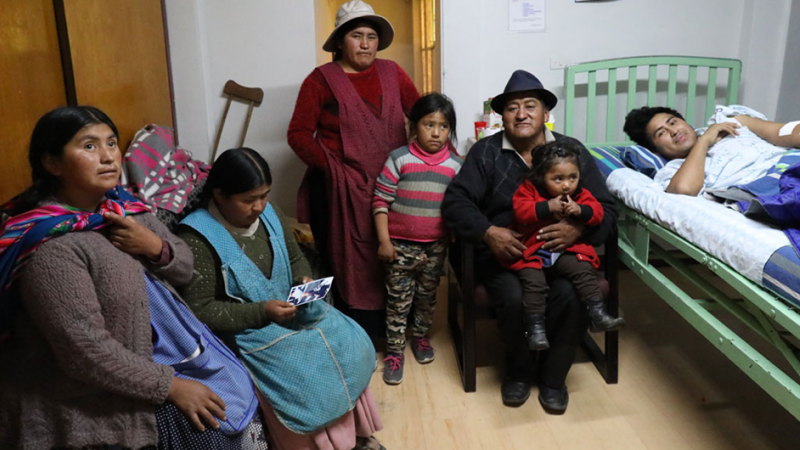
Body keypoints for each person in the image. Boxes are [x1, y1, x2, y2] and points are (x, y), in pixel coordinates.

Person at [0, 106, 266, 450]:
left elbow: (185, 267)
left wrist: (154, 246)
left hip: (160, 356)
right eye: (90, 146)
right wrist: (171, 386)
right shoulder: (53, 249)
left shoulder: (121, 207)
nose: (109, 156)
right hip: (85, 398)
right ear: (52, 163)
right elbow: (85, 353)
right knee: (209, 430)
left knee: (243, 390)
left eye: (111, 143)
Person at [176, 148, 385, 450]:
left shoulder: (270, 214)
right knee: (308, 368)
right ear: (219, 195)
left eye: (264, 195)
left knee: (348, 339)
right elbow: (200, 310)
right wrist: (262, 312)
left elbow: (296, 257)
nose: (260, 206)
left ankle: (354, 435)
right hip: (247, 334)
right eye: (249, 199)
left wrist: (304, 280)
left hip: (285, 309)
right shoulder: (196, 237)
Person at [441, 70, 617, 413]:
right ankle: (519, 371)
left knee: (572, 294)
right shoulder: (485, 153)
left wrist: (578, 230)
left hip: (564, 255)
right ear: (501, 115)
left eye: (530, 106)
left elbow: (607, 210)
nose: (521, 114)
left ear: (545, 114)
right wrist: (489, 233)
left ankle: (553, 378)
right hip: (509, 256)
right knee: (512, 294)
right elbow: (455, 203)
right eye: (512, 108)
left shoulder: (572, 151)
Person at [287, 0, 420, 333]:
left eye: (371, 36)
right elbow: (298, 134)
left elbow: (421, 115)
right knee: (348, 263)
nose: (364, 44)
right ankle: (356, 333)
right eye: (356, 36)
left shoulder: (393, 73)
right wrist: (333, 170)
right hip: (340, 190)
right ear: (341, 42)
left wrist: (424, 160)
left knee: (393, 256)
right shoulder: (321, 80)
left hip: (393, 186)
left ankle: (398, 329)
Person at [372, 93, 463, 385]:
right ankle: (395, 351)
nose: (436, 132)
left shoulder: (455, 164)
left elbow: (459, 206)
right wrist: (384, 242)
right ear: (414, 126)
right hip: (399, 248)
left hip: (436, 248)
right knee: (398, 301)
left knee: (426, 298)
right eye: (429, 124)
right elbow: (380, 202)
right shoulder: (400, 159)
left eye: (444, 126)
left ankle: (421, 338)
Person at [508, 141, 625, 351]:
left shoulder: (579, 195)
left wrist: (580, 210)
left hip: (565, 252)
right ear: (542, 176)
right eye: (558, 179)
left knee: (583, 270)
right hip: (533, 252)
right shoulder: (529, 189)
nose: (566, 185)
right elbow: (520, 212)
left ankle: (597, 314)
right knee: (533, 284)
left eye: (573, 177)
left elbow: (598, 213)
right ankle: (535, 330)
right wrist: (546, 206)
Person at [623, 105, 800, 196]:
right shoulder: (676, 171)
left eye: (672, 122)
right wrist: (705, 141)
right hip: (775, 188)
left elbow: (783, 132)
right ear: (656, 151)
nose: (674, 131)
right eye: (662, 133)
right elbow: (685, 190)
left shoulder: (731, 121)